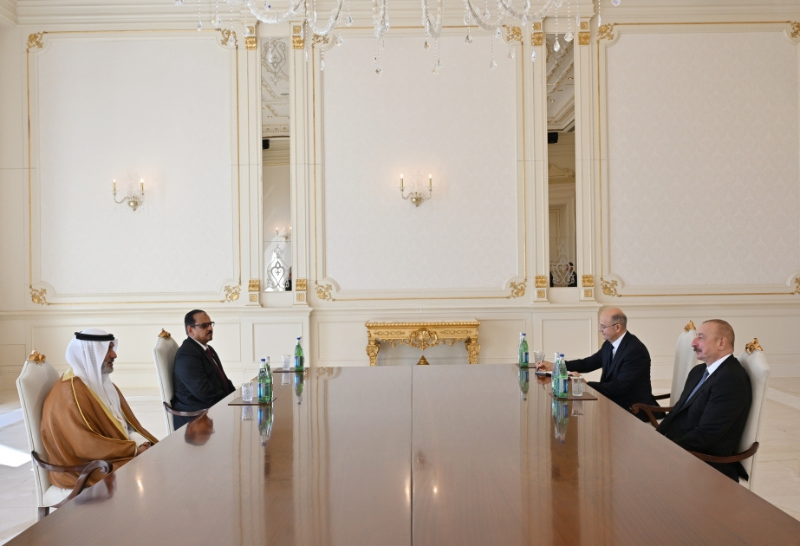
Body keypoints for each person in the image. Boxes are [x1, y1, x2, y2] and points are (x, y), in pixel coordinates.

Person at [40, 329, 158, 489]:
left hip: (109, 457)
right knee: (152, 473)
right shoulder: (70, 395)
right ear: (88, 354)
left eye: (112, 348)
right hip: (83, 469)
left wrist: (140, 442)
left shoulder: (103, 384)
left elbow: (125, 424)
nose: (114, 355)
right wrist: (134, 450)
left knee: (161, 459)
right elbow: (85, 446)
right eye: (107, 349)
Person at [656, 319, 752, 482]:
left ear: (721, 343)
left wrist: (666, 449)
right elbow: (676, 411)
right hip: (680, 449)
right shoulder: (698, 371)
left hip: (703, 462)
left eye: (700, 338)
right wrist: (655, 439)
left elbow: (707, 435)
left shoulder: (731, 380)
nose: (693, 342)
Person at [536, 307, 659, 421]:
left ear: (617, 327)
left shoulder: (635, 351)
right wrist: (556, 366)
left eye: (603, 326)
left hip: (633, 411)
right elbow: (587, 364)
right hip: (612, 405)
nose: (600, 329)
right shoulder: (609, 344)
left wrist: (585, 384)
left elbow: (620, 387)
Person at [171, 309, 235, 429]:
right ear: (190, 330)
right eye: (204, 325)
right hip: (197, 419)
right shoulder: (187, 354)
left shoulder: (207, 349)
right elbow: (204, 392)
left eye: (210, 324)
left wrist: (237, 396)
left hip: (212, 409)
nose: (210, 328)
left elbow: (224, 381)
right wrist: (229, 402)